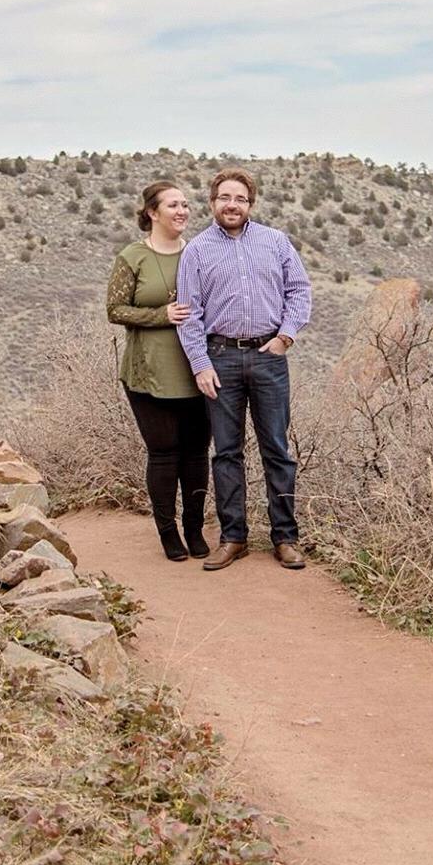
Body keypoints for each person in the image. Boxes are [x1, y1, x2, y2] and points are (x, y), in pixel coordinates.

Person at [176, 167, 312, 571]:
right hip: (220, 359)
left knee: (277, 449)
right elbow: (189, 313)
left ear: (249, 204)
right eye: (224, 198)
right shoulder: (196, 251)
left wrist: (285, 336)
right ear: (213, 202)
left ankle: (285, 537)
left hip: (269, 355)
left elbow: (299, 290)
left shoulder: (276, 242)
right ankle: (233, 537)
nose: (231, 205)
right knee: (227, 452)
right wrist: (200, 364)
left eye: (239, 199)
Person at [106, 179, 212, 561]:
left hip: (198, 369)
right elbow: (115, 310)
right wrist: (161, 315)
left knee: (197, 454)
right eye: (173, 205)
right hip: (147, 373)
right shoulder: (132, 257)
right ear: (152, 212)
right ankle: (168, 532)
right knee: (164, 453)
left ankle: (195, 529)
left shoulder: (200, 253)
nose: (182, 211)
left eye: (185, 204)